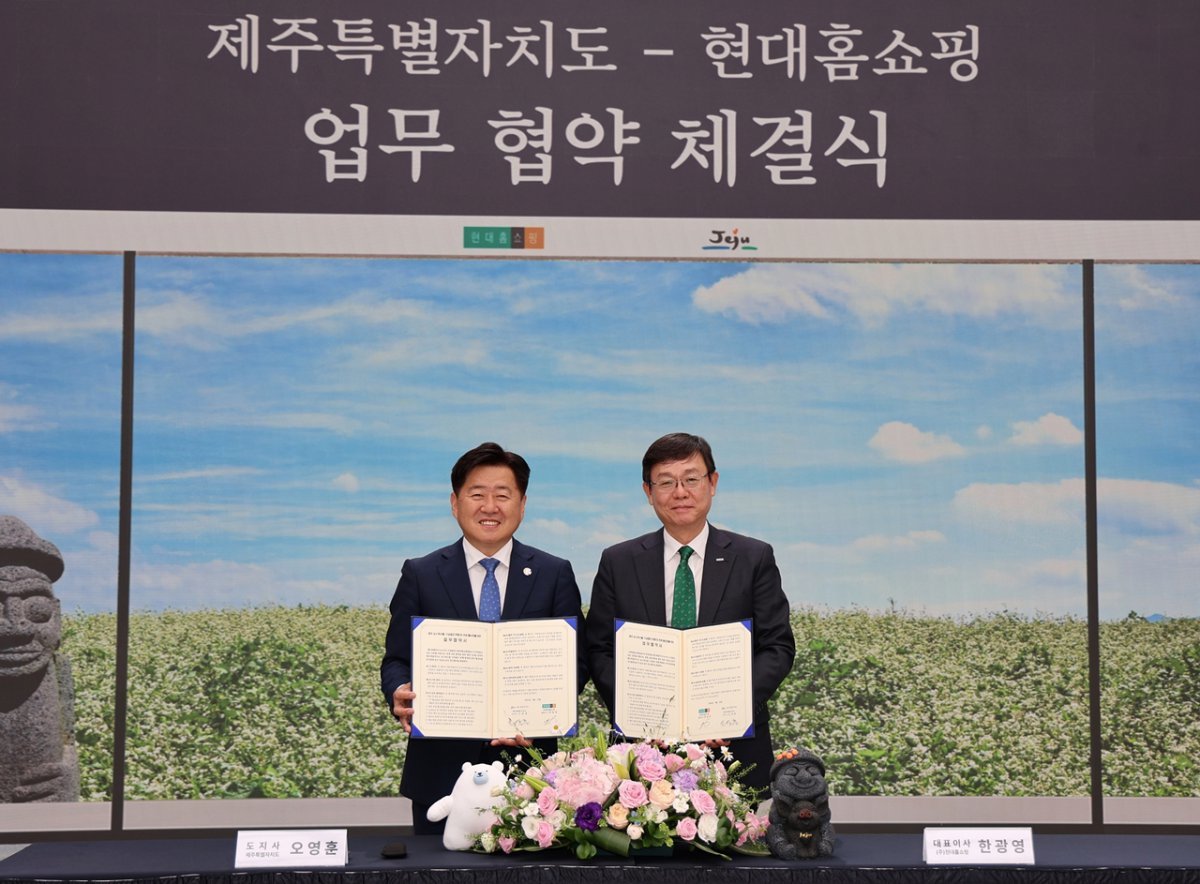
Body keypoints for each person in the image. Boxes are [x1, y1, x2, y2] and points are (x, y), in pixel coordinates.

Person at [380, 442, 584, 835]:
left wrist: (543, 715)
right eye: (477, 494)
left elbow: (576, 662)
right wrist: (398, 689)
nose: (490, 507)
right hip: (439, 773)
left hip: (529, 771)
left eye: (502, 495)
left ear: (522, 505)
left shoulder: (553, 573)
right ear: (454, 503)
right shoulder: (421, 574)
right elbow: (396, 659)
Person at [583, 432, 795, 792]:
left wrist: (731, 711)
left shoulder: (753, 558)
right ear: (648, 492)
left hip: (733, 747)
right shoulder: (619, 561)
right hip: (642, 749)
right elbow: (599, 650)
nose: (680, 492)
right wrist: (642, 712)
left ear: (712, 483)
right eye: (666, 482)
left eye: (691, 479)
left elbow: (777, 647)